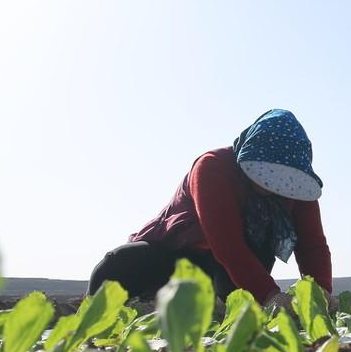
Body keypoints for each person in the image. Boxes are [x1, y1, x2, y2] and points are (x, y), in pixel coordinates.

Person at [87, 109, 332, 306]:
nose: (272, 187)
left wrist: (321, 296)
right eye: (266, 175)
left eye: (281, 181)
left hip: (233, 267)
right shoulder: (213, 168)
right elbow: (226, 244)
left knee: (236, 297)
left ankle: (217, 306)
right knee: (121, 262)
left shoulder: (297, 187)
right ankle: (140, 304)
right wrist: (271, 296)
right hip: (178, 255)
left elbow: (313, 246)